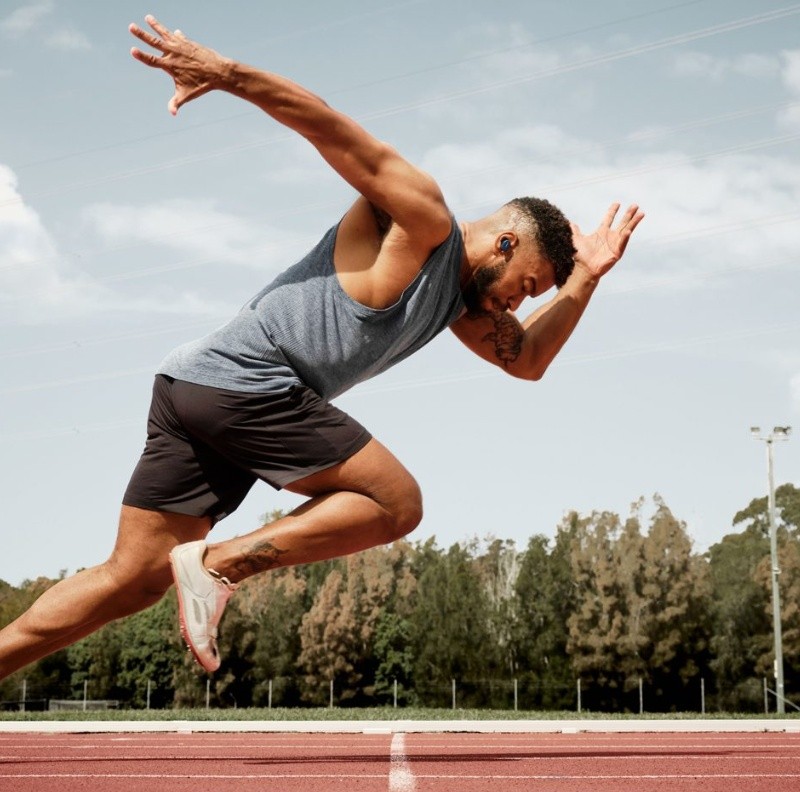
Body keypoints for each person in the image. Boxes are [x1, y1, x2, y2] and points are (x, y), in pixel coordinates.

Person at [0, 15, 643, 678]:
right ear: (504, 245)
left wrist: (586, 277)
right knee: (396, 503)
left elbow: (528, 359)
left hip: (192, 389)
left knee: (130, 580)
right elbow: (331, 128)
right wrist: (227, 74)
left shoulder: (461, 303)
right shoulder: (423, 218)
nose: (516, 305)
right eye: (525, 286)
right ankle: (217, 566)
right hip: (245, 385)